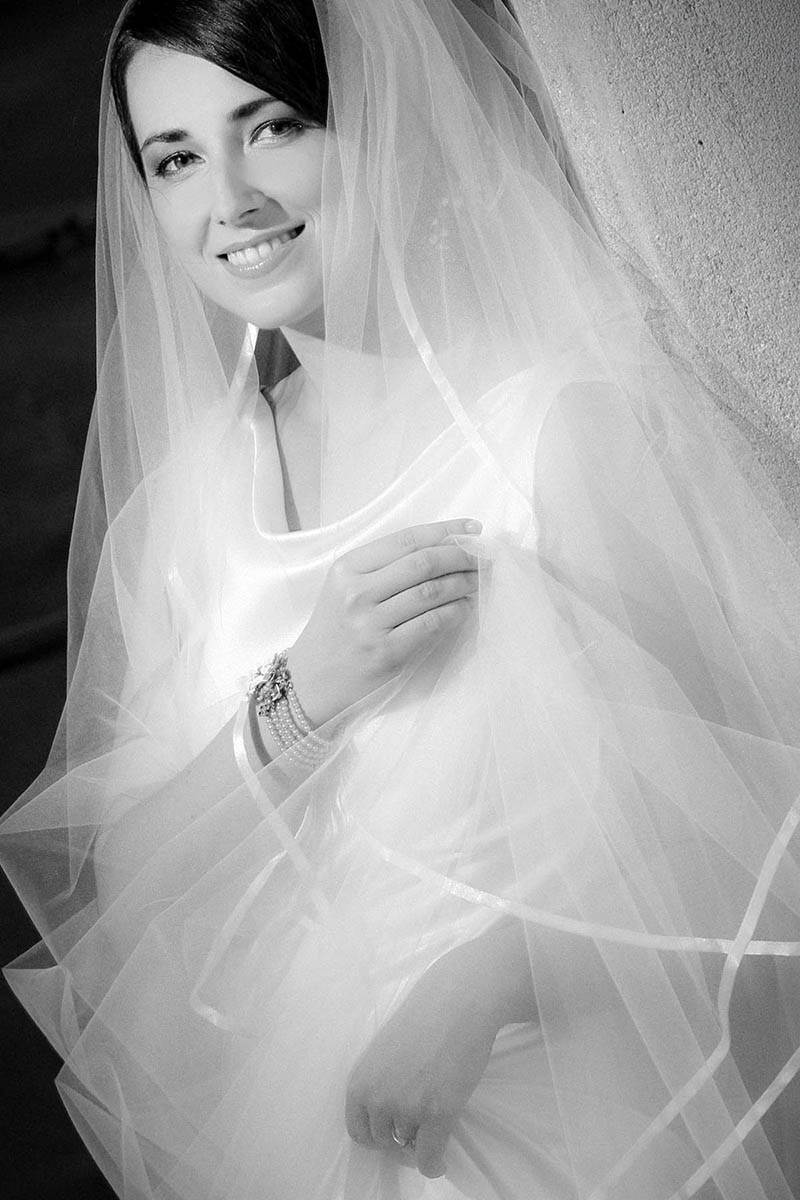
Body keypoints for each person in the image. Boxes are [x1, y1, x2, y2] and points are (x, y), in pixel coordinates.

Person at [2, 1, 799, 1197]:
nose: (230, 199)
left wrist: (489, 983)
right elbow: (131, 879)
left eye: (271, 128)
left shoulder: (544, 434)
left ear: (371, 122)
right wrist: (306, 693)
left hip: (555, 1122)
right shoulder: (183, 513)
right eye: (174, 158)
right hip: (289, 1139)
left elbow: (754, 823)